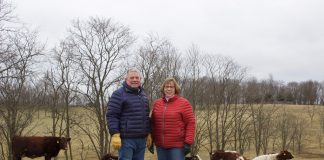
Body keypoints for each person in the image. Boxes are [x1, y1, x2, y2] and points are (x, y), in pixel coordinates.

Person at [106, 68, 152, 160]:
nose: (134, 80)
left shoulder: (143, 95)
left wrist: (149, 132)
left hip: (141, 139)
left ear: (140, 79)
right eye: (132, 78)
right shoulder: (118, 94)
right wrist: (115, 134)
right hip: (126, 139)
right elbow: (112, 115)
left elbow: (146, 116)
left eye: (137, 78)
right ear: (126, 79)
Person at [151, 77, 196, 160]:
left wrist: (188, 142)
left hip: (177, 146)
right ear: (163, 88)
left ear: (175, 89)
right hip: (160, 146)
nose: (169, 89)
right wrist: (150, 139)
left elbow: (191, 123)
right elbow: (153, 123)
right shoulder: (157, 103)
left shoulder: (184, 103)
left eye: (171, 87)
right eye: (166, 87)